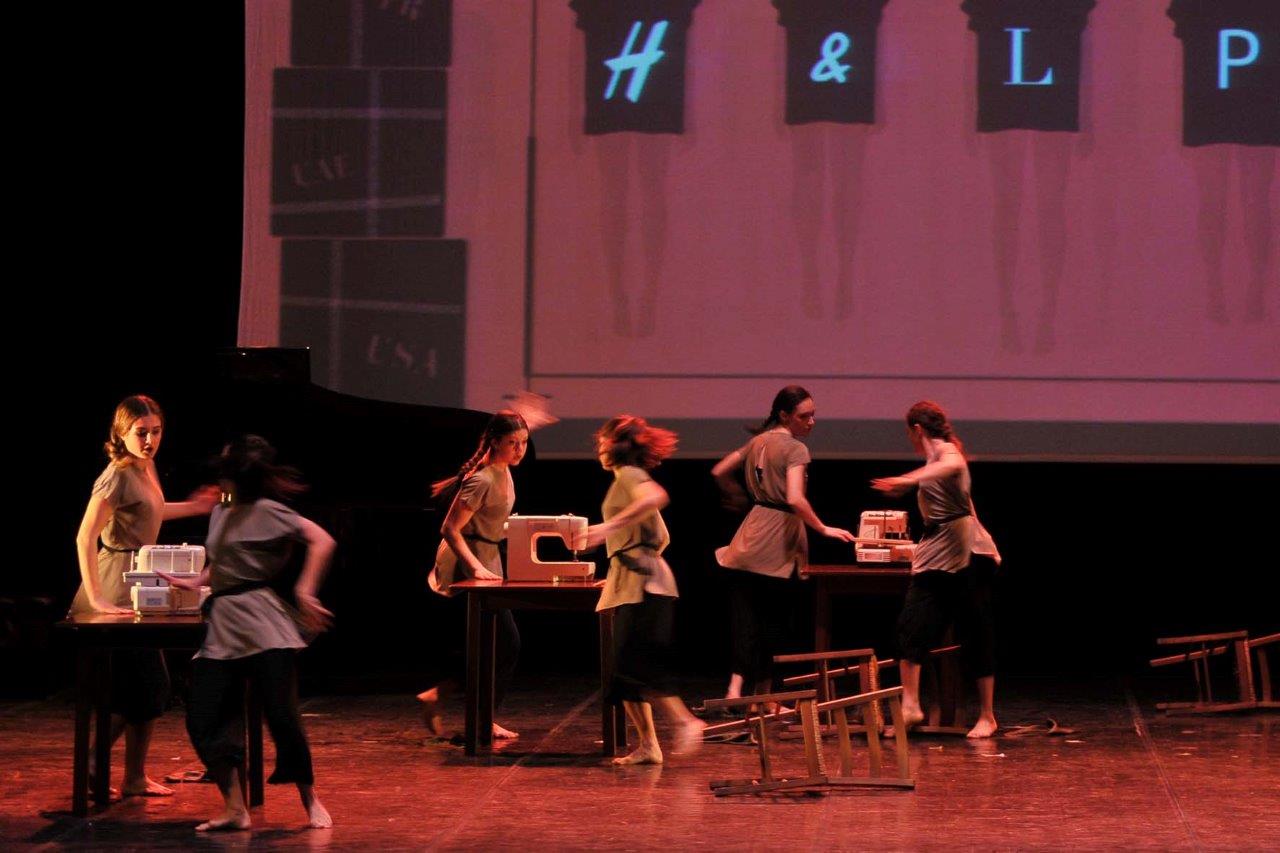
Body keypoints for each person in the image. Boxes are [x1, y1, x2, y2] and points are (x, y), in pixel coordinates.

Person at [162, 435, 335, 830]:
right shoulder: (221, 512)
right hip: (224, 626)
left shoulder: (270, 511)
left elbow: (322, 539)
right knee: (205, 716)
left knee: (282, 717)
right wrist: (196, 581)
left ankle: (309, 799)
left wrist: (305, 589)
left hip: (264, 625)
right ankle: (235, 808)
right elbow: (224, 562)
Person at [69, 394, 218, 797]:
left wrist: (195, 507)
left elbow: (150, 509)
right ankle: (95, 759)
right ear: (121, 433)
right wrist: (97, 599)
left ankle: (132, 776)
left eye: (156, 431)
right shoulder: (117, 475)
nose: (150, 440)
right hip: (116, 583)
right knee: (148, 686)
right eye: (141, 433)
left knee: (148, 688)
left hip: (140, 581)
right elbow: (84, 537)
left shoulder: (144, 466)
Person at [712, 386, 855, 702]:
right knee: (771, 622)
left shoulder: (757, 441)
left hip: (750, 535)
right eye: (804, 416)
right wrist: (823, 528)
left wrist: (735, 495)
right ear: (784, 415)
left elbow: (719, 470)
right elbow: (794, 498)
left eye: (813, 415)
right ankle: (760, 696)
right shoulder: (795, 449)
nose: (811, 422)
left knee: (748, 620)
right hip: (777, 539)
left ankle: (737, 690)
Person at [871, 400, 1002, 739]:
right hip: (936, 549)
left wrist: (907, 479)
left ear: (917, 430)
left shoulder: (947, 452)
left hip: (967, 551)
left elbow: (952, 468)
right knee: (911, 625)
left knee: (976, 630)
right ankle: (910, 706)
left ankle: (987, 715)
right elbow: (966, 502)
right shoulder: (933, 461)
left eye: (909, 433)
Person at [584, 416, 705, 765]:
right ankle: (649, 745)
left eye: (603, 441)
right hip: (636, 579)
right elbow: (661, 535)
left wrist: (608, 529)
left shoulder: (629, 475)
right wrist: (621, 566)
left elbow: (656, 496)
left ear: (616, 445)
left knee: (637, 665)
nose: (599, 447)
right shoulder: (623, 479)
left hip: (645, 585)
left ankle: (685, 721)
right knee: (622, 676)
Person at [418, 411, 529, 740]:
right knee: (506, 642)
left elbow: (490, 522)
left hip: (487, 556)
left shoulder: (503, 470)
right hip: (467, 561)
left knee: (491, 643)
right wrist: (476, 567)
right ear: (495, 443)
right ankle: (479, 717)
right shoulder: (482, 480)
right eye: (513, 443)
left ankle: (446, 699)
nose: (520, 449)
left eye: (524, 442)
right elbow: (450, 529)